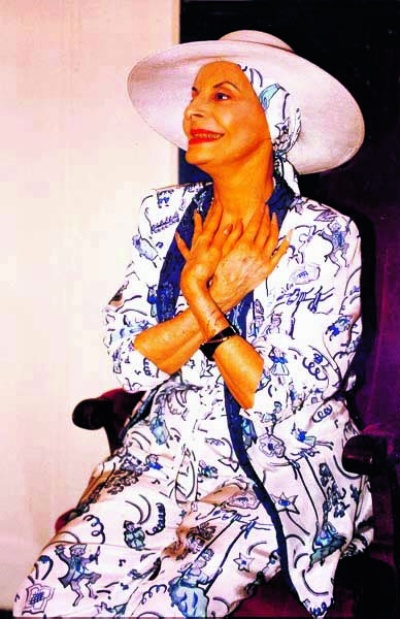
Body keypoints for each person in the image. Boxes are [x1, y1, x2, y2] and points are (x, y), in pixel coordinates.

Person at [14, 31, 373, 619]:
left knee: (167, 606)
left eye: (222, 95)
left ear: (276, 118)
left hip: (277, 471)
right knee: (49, 592)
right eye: (194, 94)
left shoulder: (325, 235)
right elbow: (131, 363)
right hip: (161, 459)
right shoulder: (161, 215)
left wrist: (204, 305)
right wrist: (214, 292)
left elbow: (276, 398)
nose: (196, 110)